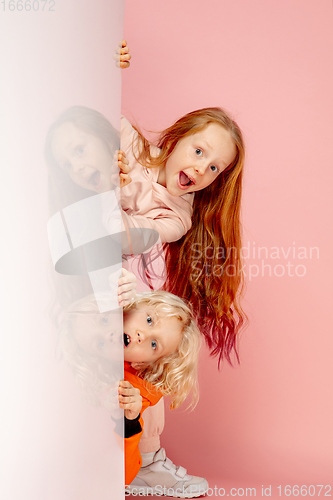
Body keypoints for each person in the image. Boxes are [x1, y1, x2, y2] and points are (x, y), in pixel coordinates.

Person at [59, 287, 207, 497]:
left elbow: (122, 476)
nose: (142, 336)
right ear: (131, 306)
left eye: (154, 344)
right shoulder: (109, 313)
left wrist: (129, 421)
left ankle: (149, 465)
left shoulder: (133, 392)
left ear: (141, 362)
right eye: (149, 320)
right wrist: (122, 284)